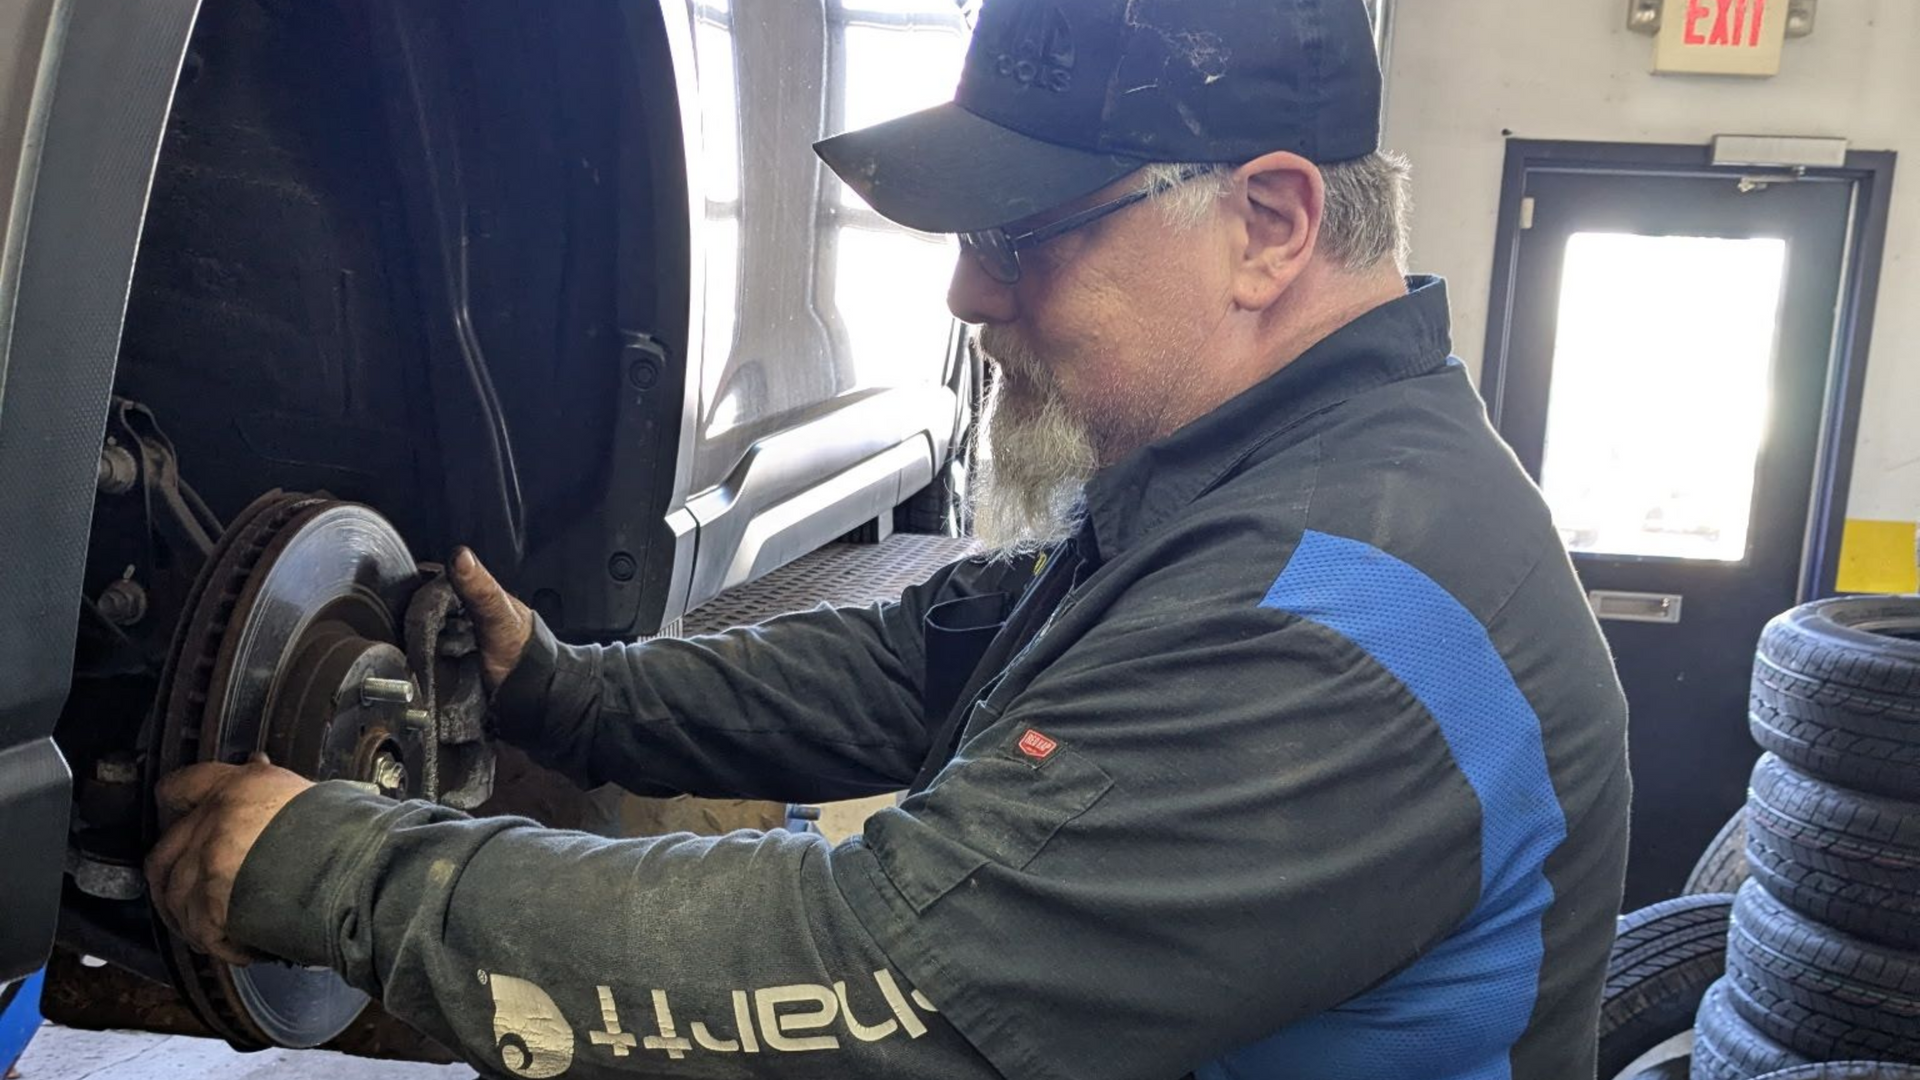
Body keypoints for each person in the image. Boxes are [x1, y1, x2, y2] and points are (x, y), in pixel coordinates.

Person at [146, 0, 1632, 1076]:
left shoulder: (1344, 624)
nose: (968, 298)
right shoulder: (1263, 480)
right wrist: (566, 687)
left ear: (1270, 223)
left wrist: (348, 875)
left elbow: (874, 972)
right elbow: (918, 662)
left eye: (1024, 232)